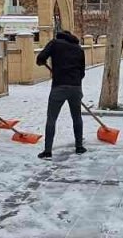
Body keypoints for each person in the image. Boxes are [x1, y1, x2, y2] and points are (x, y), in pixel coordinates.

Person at [36, 30, 86, 159]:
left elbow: (40, 58)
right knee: (77, 117)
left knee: (51, 118)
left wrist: (43, 62)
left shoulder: (54, 43)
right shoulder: (79, 49)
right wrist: (74, 81)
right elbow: (82, 72)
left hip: (59, 86)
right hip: (75, 87)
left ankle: (47, 151)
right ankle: (79, 147)